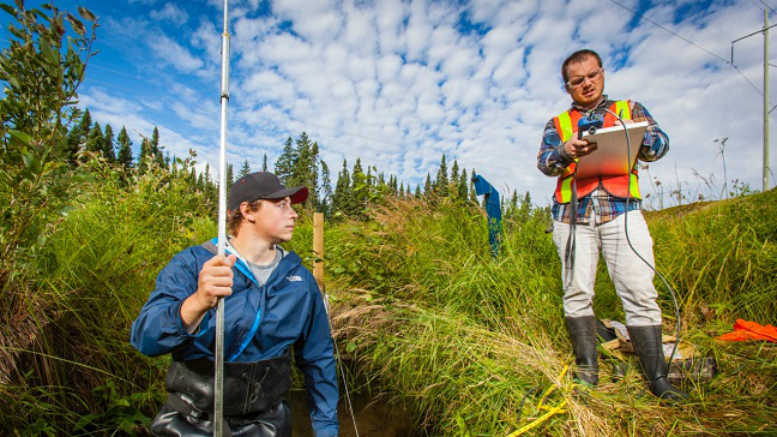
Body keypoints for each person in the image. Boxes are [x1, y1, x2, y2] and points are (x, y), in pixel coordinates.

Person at [131, 171, 340, 436]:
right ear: (248, 211)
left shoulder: (300, 281)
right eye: (281, 205)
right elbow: (145, 339)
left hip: (268, 426)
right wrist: (198, 302)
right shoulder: (194, 264)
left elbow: (318, 359)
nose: (294, 214)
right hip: (188, 424)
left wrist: (326, 428)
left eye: (291, 205)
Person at [537, 49, 686, 401]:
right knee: (576, 292)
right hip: (572, 216)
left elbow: (660, 146)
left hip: (622, 211)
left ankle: (658, 379)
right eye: (578, 80)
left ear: (602, 74)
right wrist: (565, 151)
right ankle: (587, 370)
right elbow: (545, 163)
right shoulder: (557, 124)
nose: (587, 83)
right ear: (568, 87)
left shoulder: (629, 109)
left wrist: (632, 135)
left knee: (639, 291)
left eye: (592, 75)